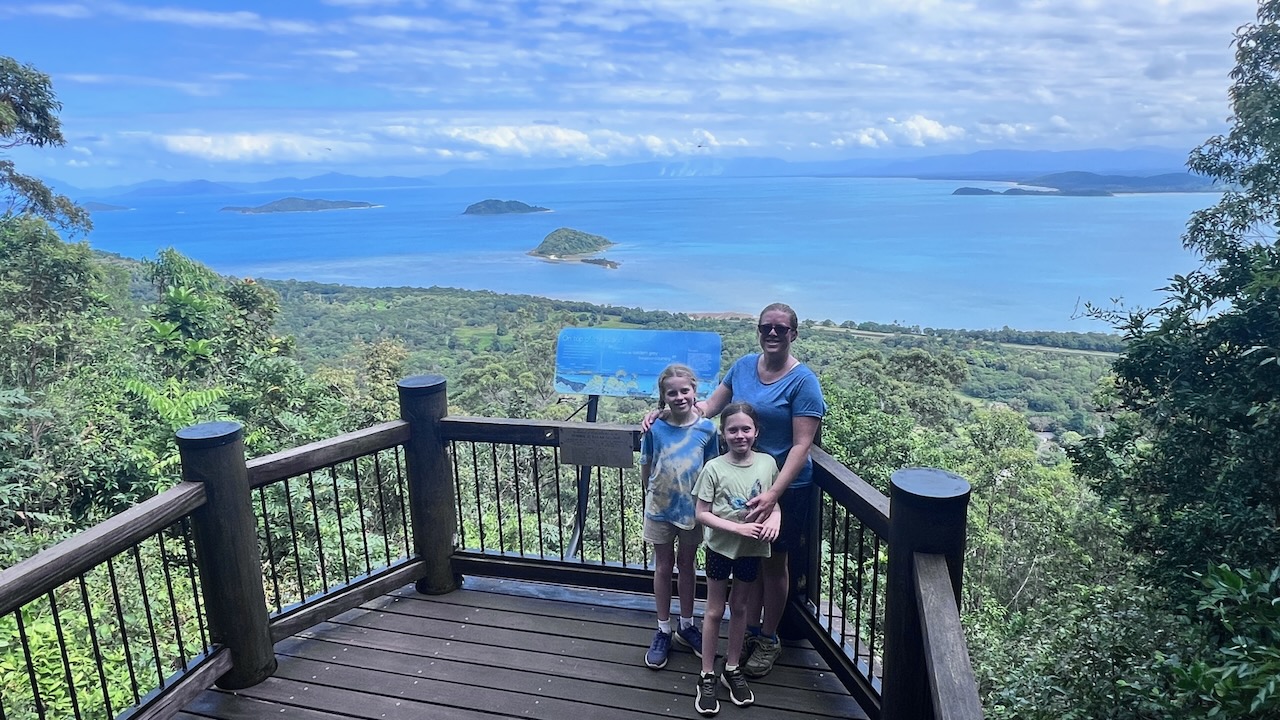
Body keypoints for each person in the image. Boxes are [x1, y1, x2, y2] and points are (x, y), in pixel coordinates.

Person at [644, 302, 826, 678]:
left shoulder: (803, 381)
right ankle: (749, 632)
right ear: (758, 330)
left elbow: (801, 445)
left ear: (793, 334)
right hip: (742, 482)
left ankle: (768, 638)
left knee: (774, 564)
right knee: (749, 560)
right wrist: (664, 412)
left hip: (785, 485)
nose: (772, 333)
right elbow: (708, 406)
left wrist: (773, 495)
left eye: (780, 328)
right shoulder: (743, 366)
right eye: (765, 327)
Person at [691, 402, 780, 716]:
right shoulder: (714, 468)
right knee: (715, 609)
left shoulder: (767, 464)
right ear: (723, 433)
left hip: (751, 549)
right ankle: (706, 674)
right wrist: (738, 528)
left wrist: (775, 520)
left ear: (756, 432)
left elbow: (773, 503)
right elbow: (702, 513)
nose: (740, 435)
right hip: (720, 548)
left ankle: (731, 668)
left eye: (746, 429)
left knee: (740, 607)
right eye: (733, 430)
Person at [639, 364, 719, 670]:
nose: (679, 397)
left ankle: (686, 625)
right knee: (663, 565)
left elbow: (712, 469)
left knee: (687, 564)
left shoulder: (707, 430)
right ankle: (663, 629)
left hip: (693, 510)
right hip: (660, 508)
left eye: (685, 390)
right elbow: (646, 464)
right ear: (663, 397)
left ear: (695, 391)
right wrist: (651, 494)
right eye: (672, 393)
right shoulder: (655, 428)